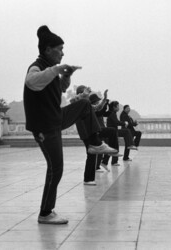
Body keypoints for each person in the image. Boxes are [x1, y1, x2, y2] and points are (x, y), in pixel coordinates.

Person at [23, 26, 117, 224]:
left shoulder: (49, 71)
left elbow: (61, 88)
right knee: (56, 168)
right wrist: (57, 69)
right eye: (60, 49)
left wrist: (66, 75)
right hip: (44, 127)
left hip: (55, 118)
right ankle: (46, 213)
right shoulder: (37, 67)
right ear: (48, 49)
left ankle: (94, 143)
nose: (63, 52)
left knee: (84, 104)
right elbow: (32, 82)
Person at [72, 86, 122, 184]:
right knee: (91, 154)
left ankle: (88, 179)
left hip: (93, 132)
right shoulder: (76, 104)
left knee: (92, 154)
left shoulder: (87, 105)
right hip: (87, 133)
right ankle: (88, 179)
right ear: (80, 94)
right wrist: (83, 95)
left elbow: (98, 108)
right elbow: (73, 100)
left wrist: (104, 99)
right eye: (85, 93)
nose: (87, 95)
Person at [106, 101, 137, 166]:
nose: (119, 108)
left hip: (114, 131)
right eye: (117, 106)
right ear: (114, 107)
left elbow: (116, 122)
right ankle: (130, 144)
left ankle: (113, 161)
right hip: (112, 132)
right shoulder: (112, 114)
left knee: (115, 145)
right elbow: (116, 122)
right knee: (114, 145)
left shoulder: (113, 113)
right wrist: (124, 123)